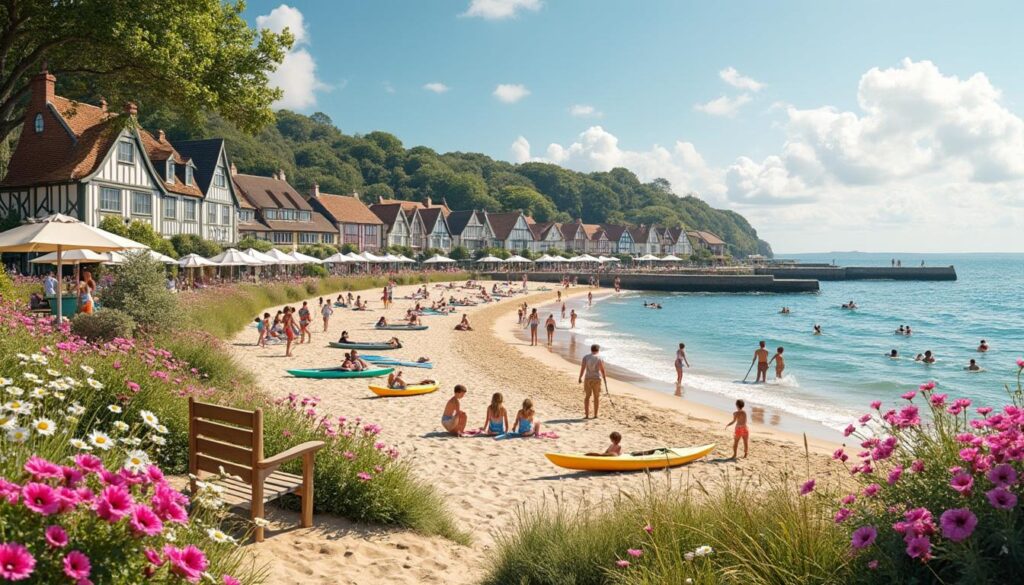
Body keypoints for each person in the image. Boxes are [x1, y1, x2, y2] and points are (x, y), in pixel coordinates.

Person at [579, 344, 607, 418]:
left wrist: (580, 377)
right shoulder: (600, 358)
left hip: (588, 378)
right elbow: (602, 370)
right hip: (597, 379)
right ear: (598, 350)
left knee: (587, 397)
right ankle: (595, 415)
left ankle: (587, 415)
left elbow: (583, 368)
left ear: (591, 350)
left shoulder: (586, 357)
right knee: (596, 397)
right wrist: (604, 378)